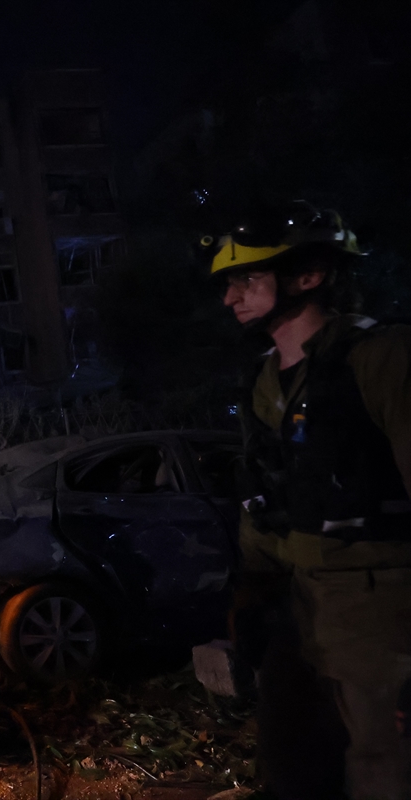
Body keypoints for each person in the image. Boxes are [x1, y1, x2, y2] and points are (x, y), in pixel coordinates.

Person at [212, 202, 411, 799]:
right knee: (295, 760)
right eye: (229, 284)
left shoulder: (381, 357)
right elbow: (268, 492)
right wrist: (252, 589)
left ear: (309, 275)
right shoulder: (265, 378)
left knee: (383, 766)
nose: (231, 298)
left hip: (378, 603)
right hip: (295, 605)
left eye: (248, 279)